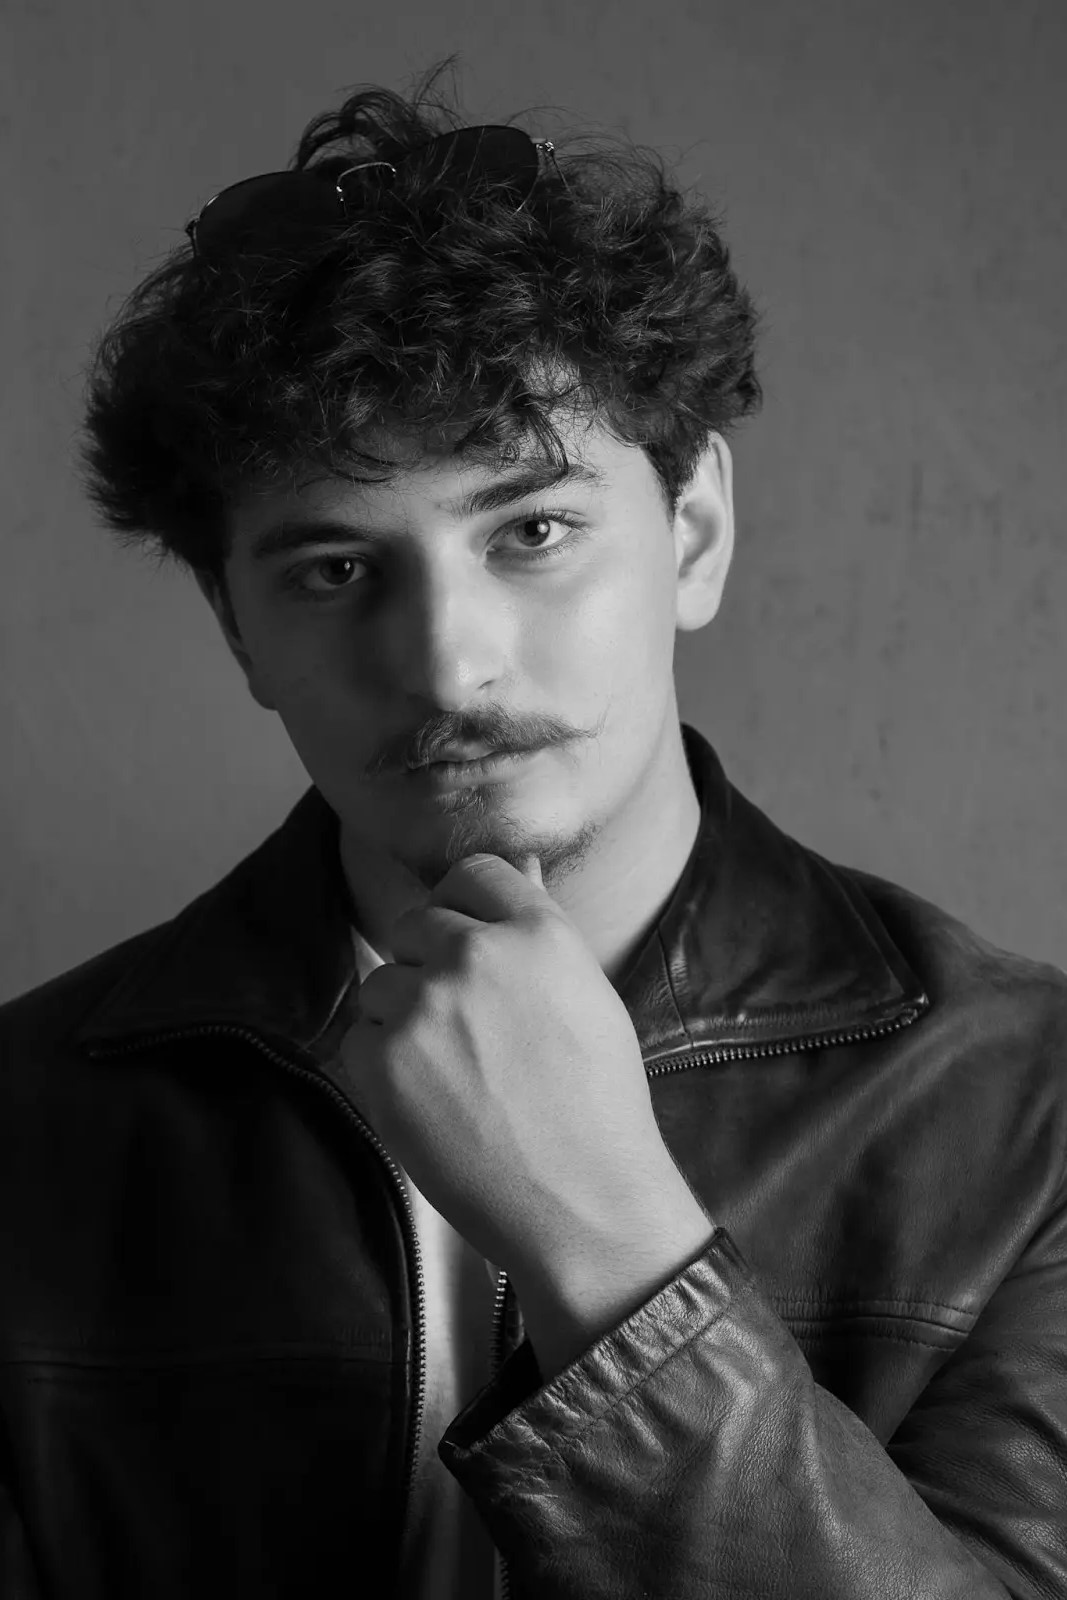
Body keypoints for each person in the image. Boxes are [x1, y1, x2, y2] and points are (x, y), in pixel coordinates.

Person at [0, 56, 1063, 1600]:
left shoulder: (1030, 1110)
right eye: (334, 572)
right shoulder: (25, 1126)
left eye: (535, 529)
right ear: (237, 631)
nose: (449, 668)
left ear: (694, 533)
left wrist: (617, 1255)